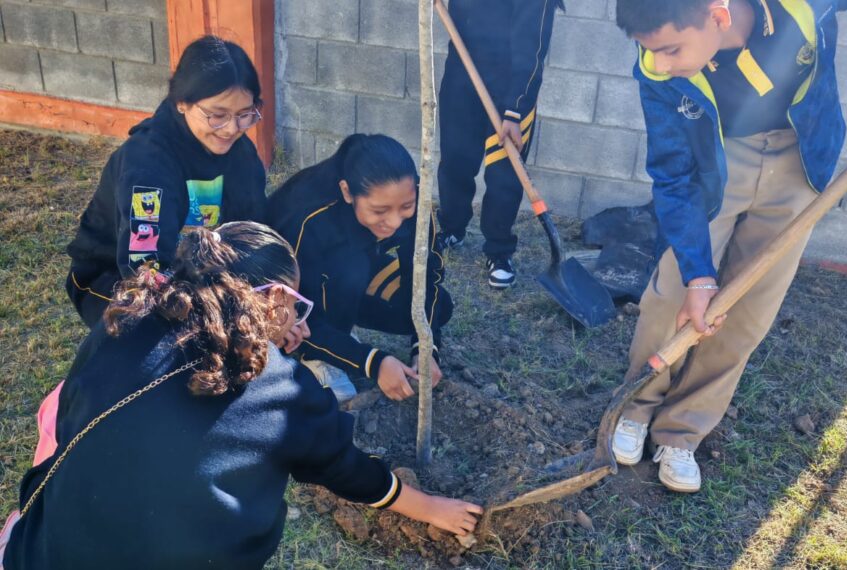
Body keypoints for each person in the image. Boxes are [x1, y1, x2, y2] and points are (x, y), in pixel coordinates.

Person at [2, 223, 482, 570]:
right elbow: (348, 471)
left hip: (41, 553)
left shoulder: (123, 320)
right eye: (296, 306)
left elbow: (71, 414)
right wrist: (433, 508)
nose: (300, 321)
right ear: (273, 300)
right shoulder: (285, 390)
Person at [611, 0, 847, 492]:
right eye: (651, 51)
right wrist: (698, 274)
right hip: (719, 164)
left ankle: (682, 431)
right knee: (672, 294)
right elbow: (672, 173)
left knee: (749, 308)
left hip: (797, 163)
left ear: (718, 14)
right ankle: (636, 407)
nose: (660, 63)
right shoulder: (657, 73)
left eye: (670, 48)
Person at [65, 35, 268, 328]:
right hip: (112, 275)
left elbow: (253, 230)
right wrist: (210, 311)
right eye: (218, 116)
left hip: (199, 270)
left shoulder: (242, 153)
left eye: (244, 115)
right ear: (182, 102)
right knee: (161, 331)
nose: (232, 129)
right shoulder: (147, 163)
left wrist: (266, 294)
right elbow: (143, 270)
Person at [268, 134, 451, 403]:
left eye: (406, 207)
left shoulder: (412, 199)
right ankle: (319, 355)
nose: (395, 222)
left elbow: (425, 277)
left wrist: (425, 348)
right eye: (379, 211)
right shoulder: (310, 219)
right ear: (347, 192)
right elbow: (297, 310)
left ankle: (340, 326)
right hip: (286, 287)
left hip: (358, 267)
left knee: (440, 304)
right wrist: (372, 362)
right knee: (351, 270)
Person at [435, 0, 564, 289]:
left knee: (504, 175)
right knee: (456, 159)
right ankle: (451, 227)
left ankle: (499, 249)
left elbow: (533, 46)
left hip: (510, 89)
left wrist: (516, 108)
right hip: (462, 73)